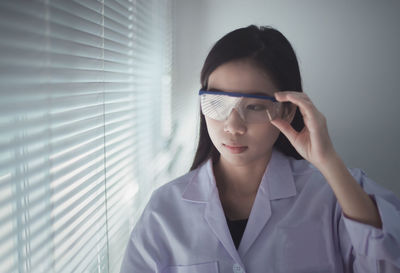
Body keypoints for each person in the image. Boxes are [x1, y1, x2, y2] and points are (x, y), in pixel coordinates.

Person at [120, 25, 400, 273]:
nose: (233, 126)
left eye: (253, 107)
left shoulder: (331, 196)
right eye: (217, 103)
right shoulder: (165, 209)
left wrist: (328, 161)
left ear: (288, 111)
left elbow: (387, 261)